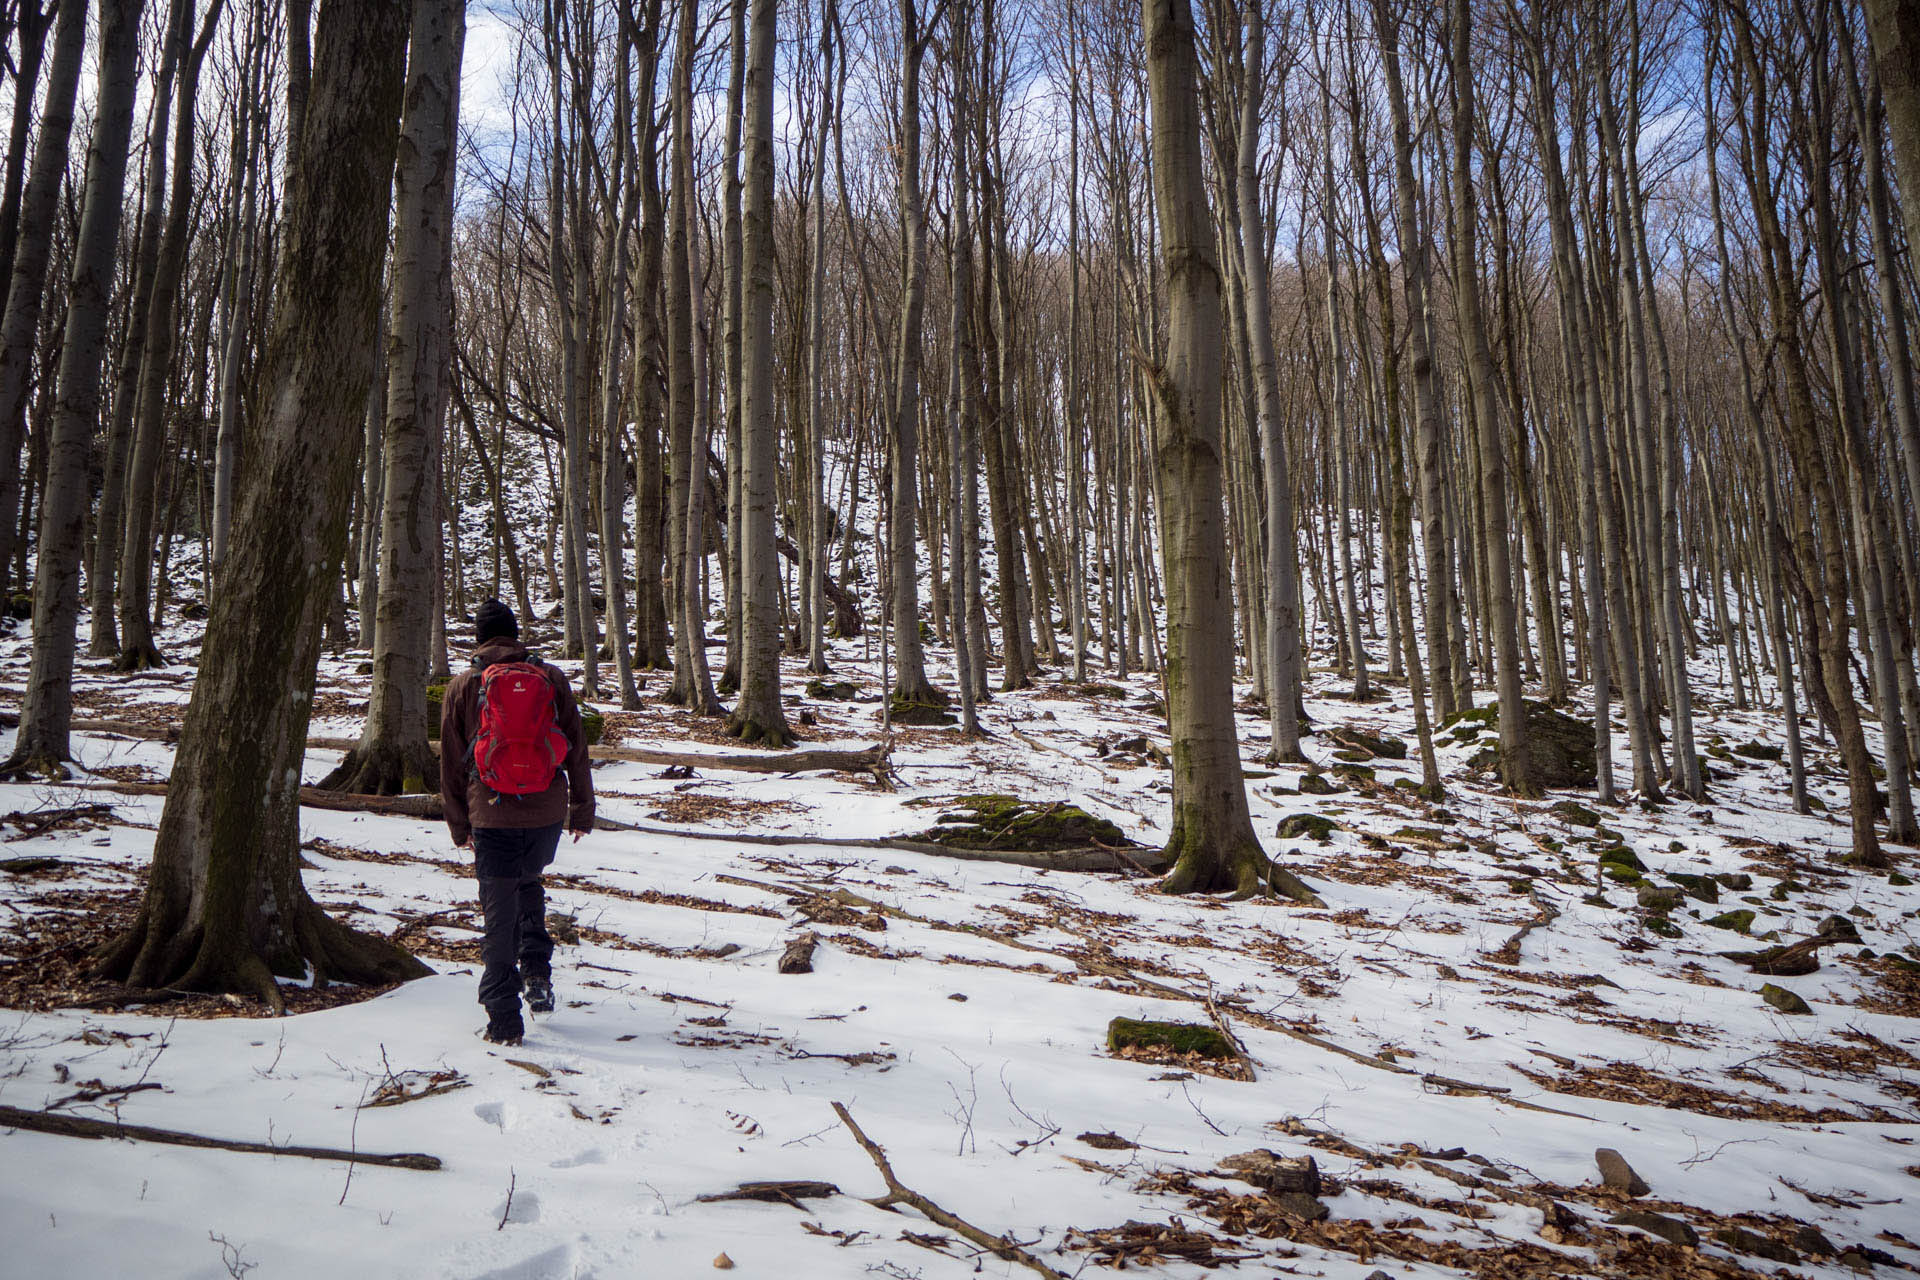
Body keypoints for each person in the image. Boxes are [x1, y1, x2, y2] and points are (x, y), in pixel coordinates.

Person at [439, 599, 595, 1045]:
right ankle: (538, 975)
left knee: (498, 909)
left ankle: (504, 1016)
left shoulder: (464, 685)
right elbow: (577, 750)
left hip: (489, 812)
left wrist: (459, 825)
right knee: (528, 885)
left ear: (479, 639)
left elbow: (451, 764)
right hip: (545, 812)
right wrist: (581, 811)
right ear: (514, 634)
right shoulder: (550, 677)